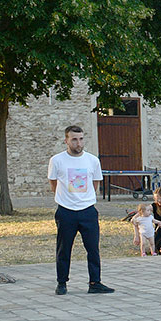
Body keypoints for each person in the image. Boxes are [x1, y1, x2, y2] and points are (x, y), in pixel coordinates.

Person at [48, 125, 113, 295]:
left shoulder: (92, 160)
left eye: (81, 139)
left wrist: (85, 200)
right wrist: (64, 199)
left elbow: (95, 183)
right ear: (66, 140)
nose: (78, 143)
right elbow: (53, 183)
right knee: (64, 248)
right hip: (66, 211)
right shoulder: (57, 160)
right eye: (74, 139)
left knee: (93, 248)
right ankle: (62, 282)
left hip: (88, 211)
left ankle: (95, 282)